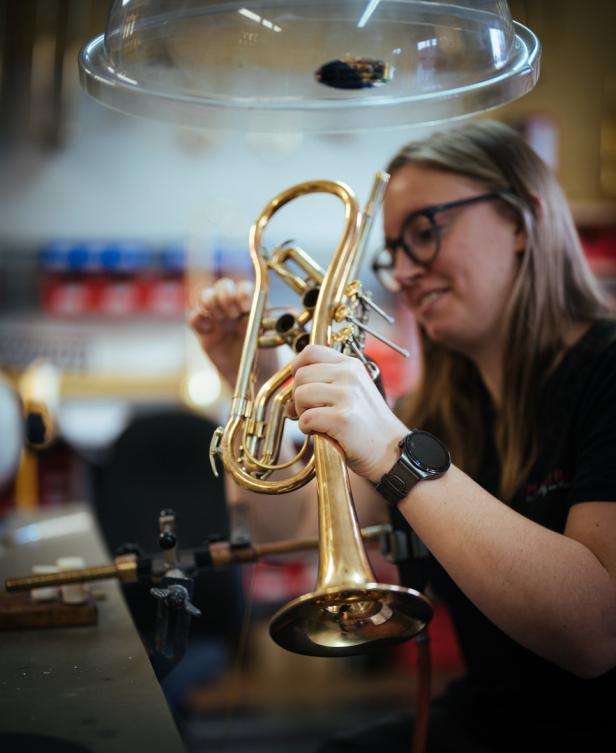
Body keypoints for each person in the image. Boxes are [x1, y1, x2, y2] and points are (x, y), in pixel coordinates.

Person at [189, 120, 616, 753]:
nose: (406, 273)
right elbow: (288, 534)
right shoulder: (436, 406)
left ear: (523, 223)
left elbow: (595, 633)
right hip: (487, 719)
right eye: (395, 250)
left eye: (426, 231)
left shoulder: (605, 372)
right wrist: (250, 381)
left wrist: (394, 450)